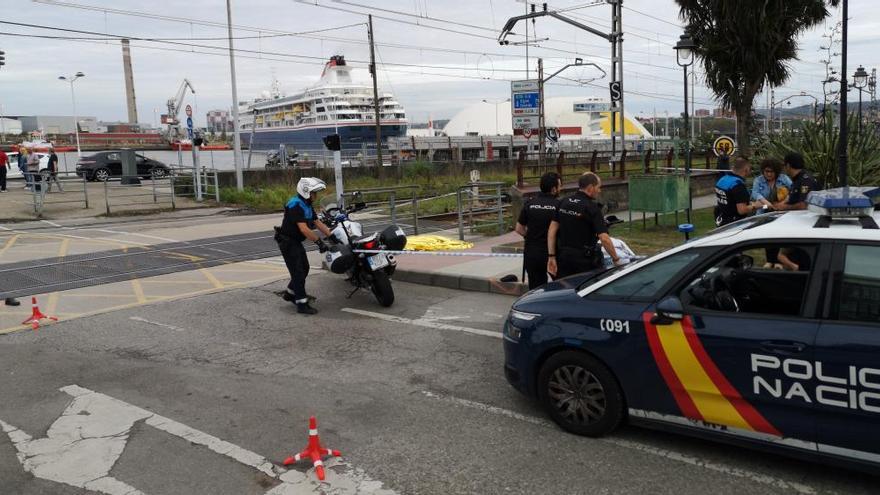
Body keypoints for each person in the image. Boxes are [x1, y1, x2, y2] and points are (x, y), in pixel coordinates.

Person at [547, 172, 621, 279]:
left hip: (564, 257)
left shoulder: (563, 202)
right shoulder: (592, 208)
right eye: (598, 187)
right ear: (590, 188)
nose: (599, 191)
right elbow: (604, 238)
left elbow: (552, 230)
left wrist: (551, 256)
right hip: (584, 261)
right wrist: (616, 259)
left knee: (565, 290)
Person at [276, 177, 332, 315]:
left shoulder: (306, 205)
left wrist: (332, 235)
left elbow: (317, 222)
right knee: (298, 273)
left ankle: (290, 293)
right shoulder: (295, 205)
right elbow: (304, 229)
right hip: (287, 242)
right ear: (306, 191)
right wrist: (319, 242)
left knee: (304, 268)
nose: (316, 195)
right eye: (314, 193)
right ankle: (302, 304)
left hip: (295, 242)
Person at [515, 172, 561, 290]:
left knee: (536, 289)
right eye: (560, 186)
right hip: (553, 253)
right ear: (554, 189)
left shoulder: (530, 203)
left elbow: (519, 229)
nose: (561, 189)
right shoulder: (559, 205)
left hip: (532, 252)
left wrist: (529, 236)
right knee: (559, 286)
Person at [714, 157, 761, 227]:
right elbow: (742, 210)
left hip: (722, 220)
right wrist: (755, 205)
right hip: (734, 224)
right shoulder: (738, 185)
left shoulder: (722, 179)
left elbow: (729, 200)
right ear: (747, 169)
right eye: (750, 169)